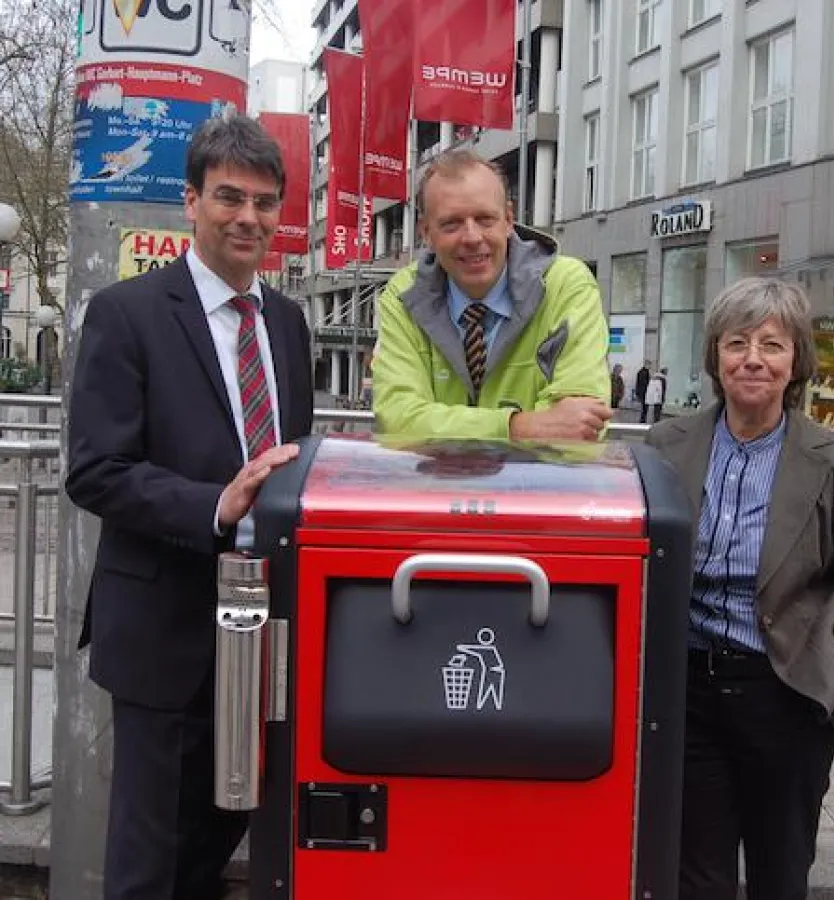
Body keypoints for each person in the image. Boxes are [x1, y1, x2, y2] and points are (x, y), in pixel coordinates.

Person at [66, 115, 314, 900]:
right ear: (191, 202)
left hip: (266, 624)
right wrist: (216, 503)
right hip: (164, 626)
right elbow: (95, 471)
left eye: (265, 202)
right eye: (229, 198)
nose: (248, 217)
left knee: (221, 841)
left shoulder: (288, 321)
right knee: (149, 859)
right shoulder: (126, 313)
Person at [646, 277, 834, 900]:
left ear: (797, 362)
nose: (753, 358)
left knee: (779, 875)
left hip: (786, 697)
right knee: (695, 876)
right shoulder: (665, 447)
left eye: (772, 344)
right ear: (715, 356)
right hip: (688, 697)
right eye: (737, 342)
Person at [372, 149, 611, 441]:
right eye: (451, 224)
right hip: (438, 485)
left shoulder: (567, 285)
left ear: (509, 220)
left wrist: (441, 425)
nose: (472, 237)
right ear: (426, 233)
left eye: (485, 219)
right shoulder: (402, 295)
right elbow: (397, 418)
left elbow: (581, 426)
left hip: (537, 485)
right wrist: (516, 426)